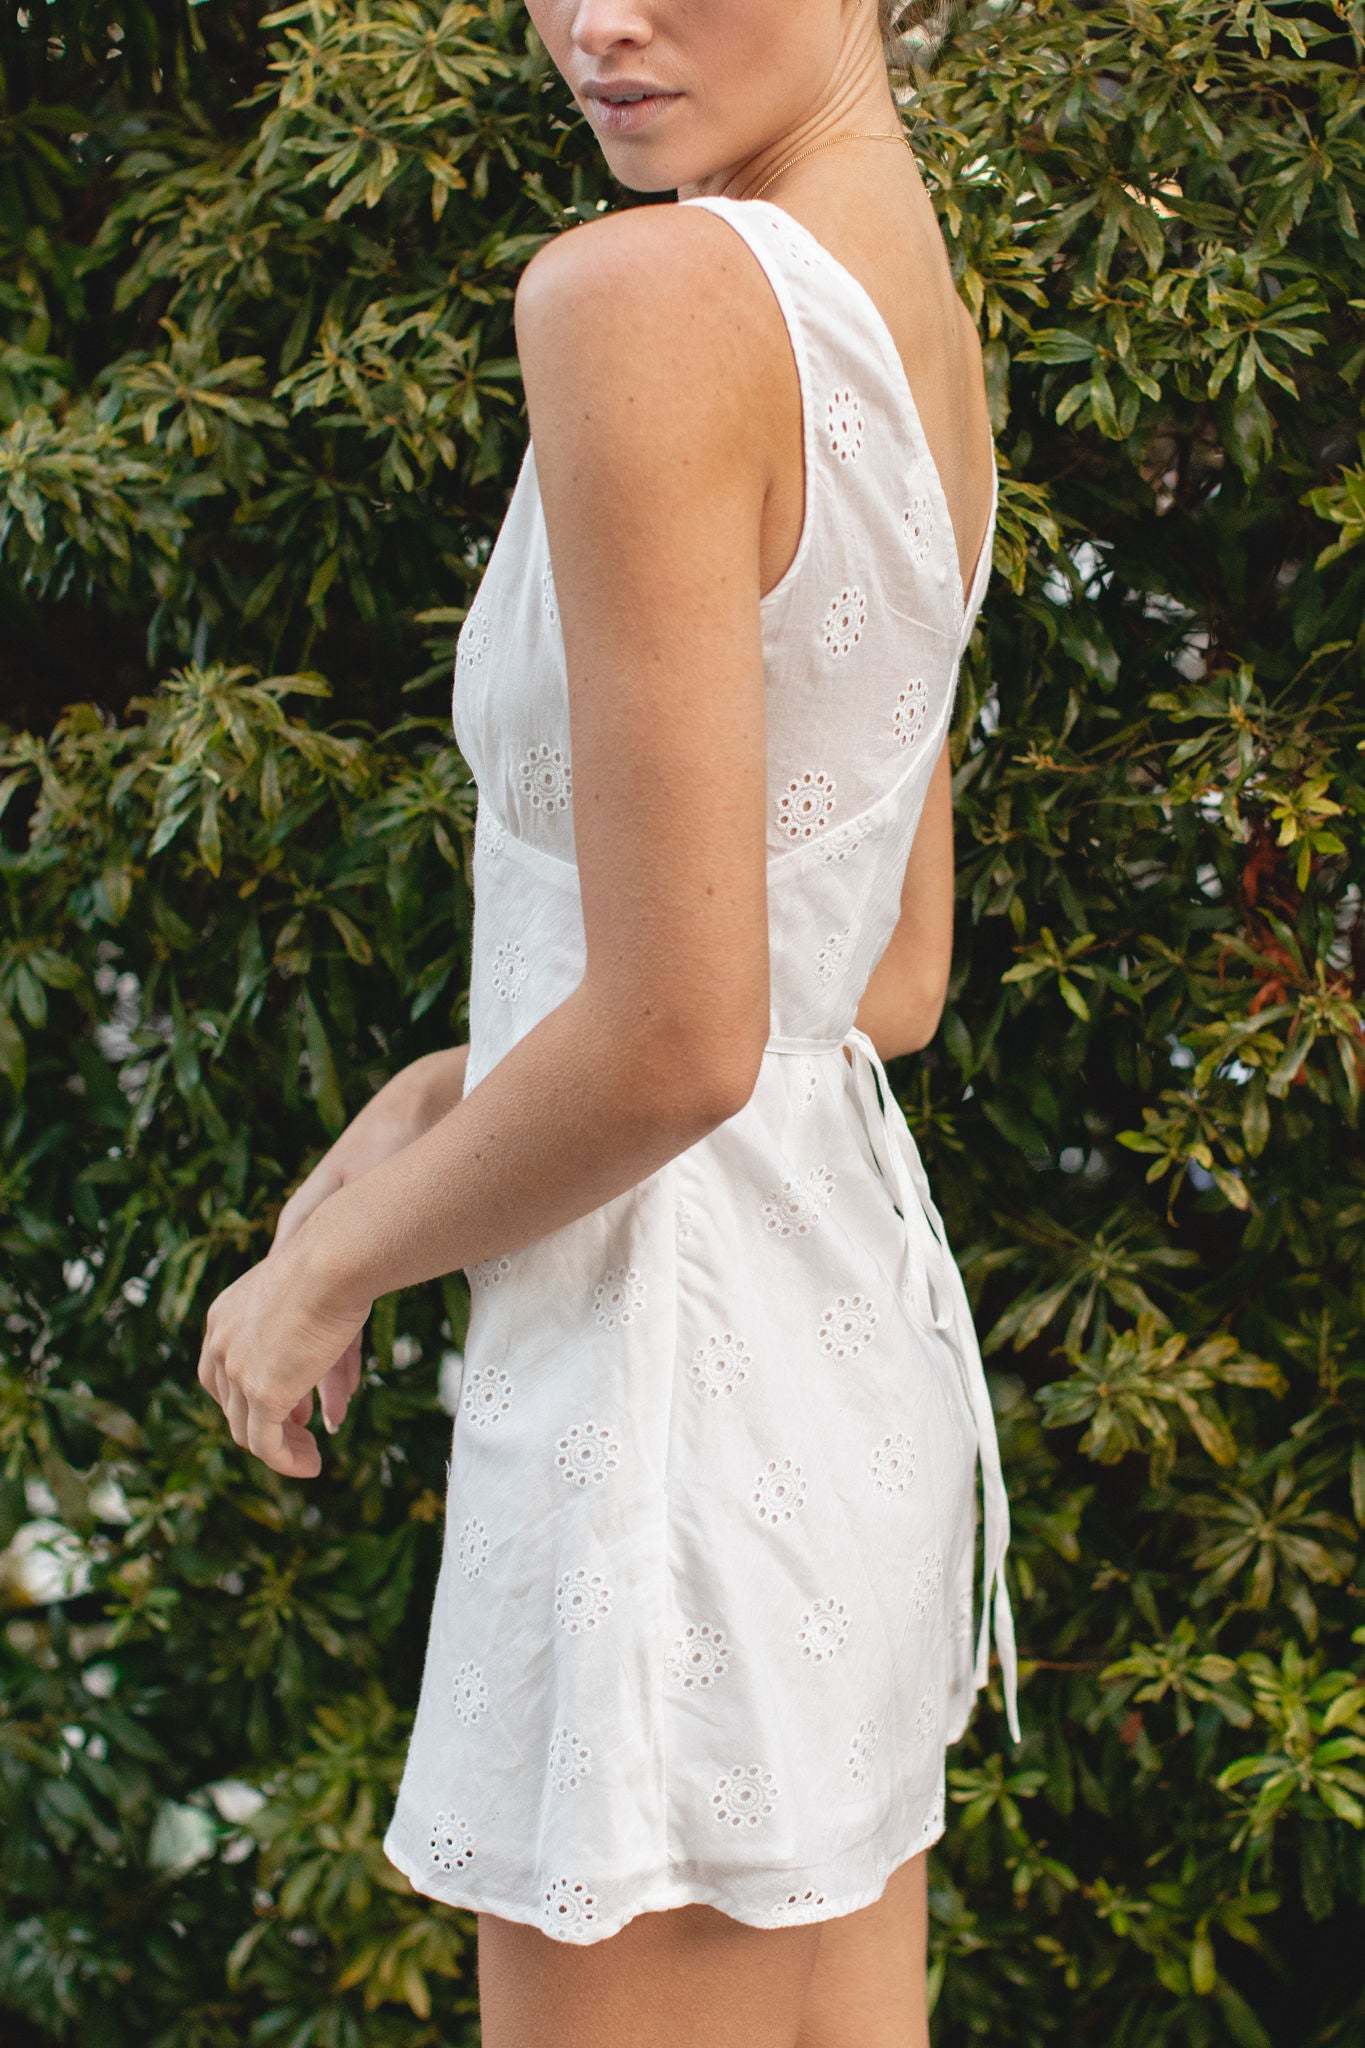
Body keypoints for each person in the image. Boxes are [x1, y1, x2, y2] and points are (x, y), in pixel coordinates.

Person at [197, 2, 1021, 2043]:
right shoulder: (911, 311)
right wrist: (451, 1085)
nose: (595, 23)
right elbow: (878, 978)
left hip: (660, 1404)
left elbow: (677, 1041)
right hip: (835, 1372)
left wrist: (318, 1272)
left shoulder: (648, 297)